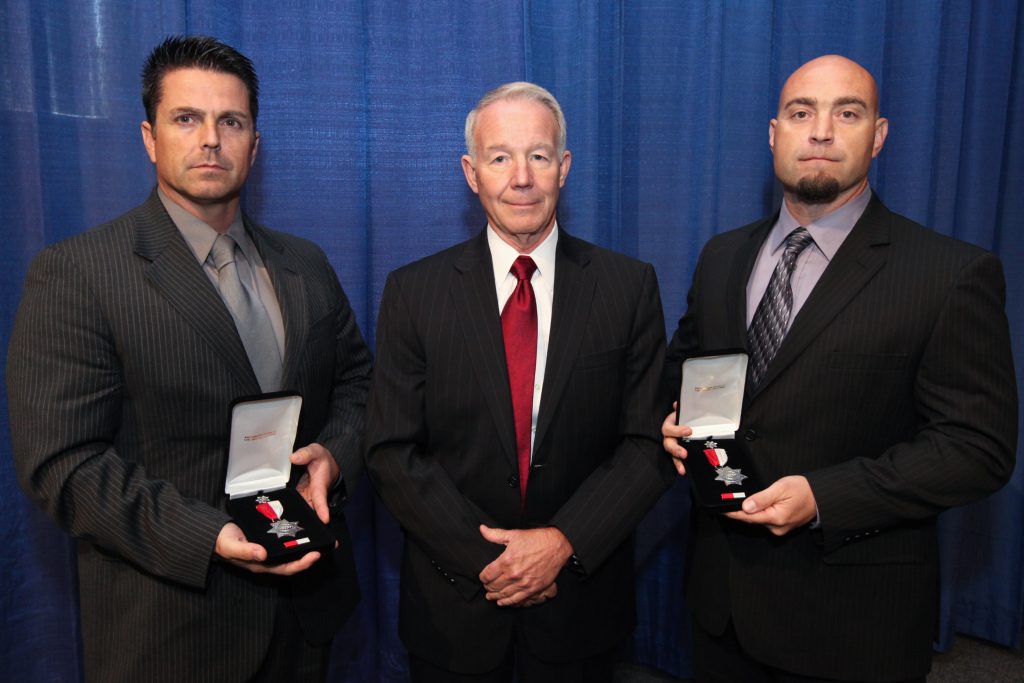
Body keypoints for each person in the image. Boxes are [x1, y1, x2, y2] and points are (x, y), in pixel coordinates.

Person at [7, 36, 372, 683]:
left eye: (231, 121)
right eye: (186, 118)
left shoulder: (307, 263)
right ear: (149, 138)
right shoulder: (78, 274)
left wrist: (335, 455)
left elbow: (357, 384)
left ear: (255, 144)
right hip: (171, 634)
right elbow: (63, 464)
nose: (211, 139)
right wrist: (209, 536)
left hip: (306, 621)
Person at [662, 54, 1017, 683]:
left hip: (853, 626)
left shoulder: (950, 274)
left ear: (878, 136)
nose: (821, 131)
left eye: (846, 114)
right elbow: (689, 371)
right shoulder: (722, 256)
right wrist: (672, 420)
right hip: (722, 609)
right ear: (774, 134)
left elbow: (977, 449)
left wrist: (825, 498)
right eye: (802, 113)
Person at [365, 82, 674, 682]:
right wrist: (492, 561)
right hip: (454, 614)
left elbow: (645, 444)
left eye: (538, 155)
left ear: (565, 167)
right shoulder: (414, 293)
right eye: (500, 157)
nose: (522, 178)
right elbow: (391, 451)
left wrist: (561, 543)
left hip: (579, 612)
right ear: (471, 172)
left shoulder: (628, 287)